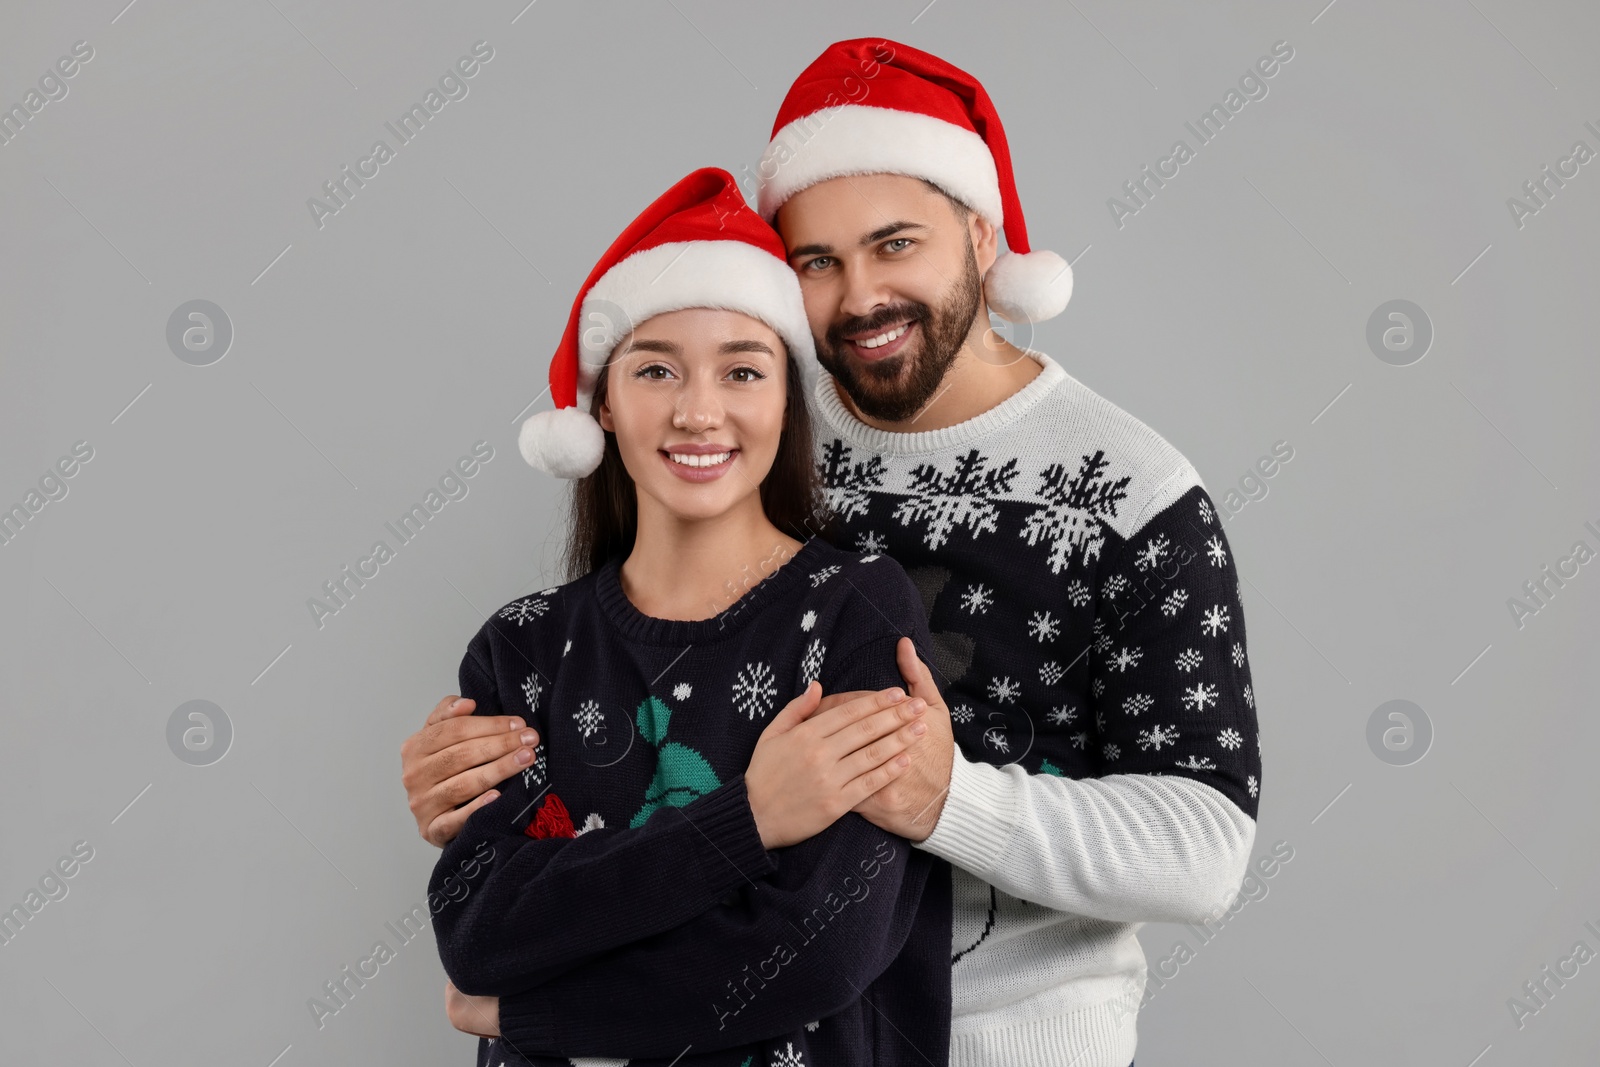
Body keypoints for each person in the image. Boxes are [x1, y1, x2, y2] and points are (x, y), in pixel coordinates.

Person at [409, 39, 1263, 1067]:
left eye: (896, 244)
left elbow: (1203, 846)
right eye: (816, 261)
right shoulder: (744, 427)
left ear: (982, 236)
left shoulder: (1132, 494)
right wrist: (489, 773)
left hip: (1008, 1039)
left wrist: (948, 797)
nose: (859, 298)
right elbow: (624, 691)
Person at [426, 166, 953, 1067]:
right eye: (656, 369)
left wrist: (531, 1013)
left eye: (742, 370)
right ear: (603, 403)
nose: (698, 411)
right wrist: (747, 821)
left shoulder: (853, 610)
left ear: (786, 397)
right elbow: (482, 931)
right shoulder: (523, 647)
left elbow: (821, 947)